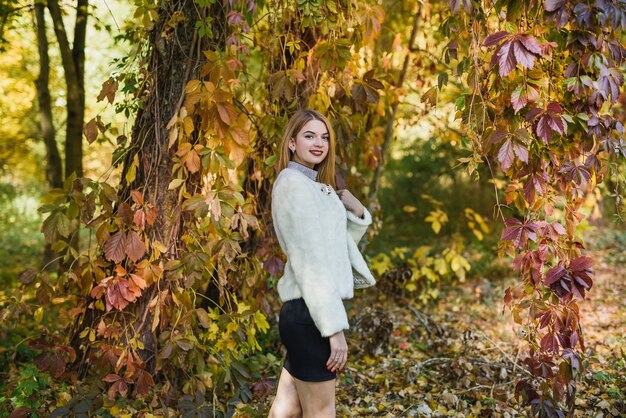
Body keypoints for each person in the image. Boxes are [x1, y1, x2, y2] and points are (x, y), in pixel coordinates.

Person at [268, 110, 376, 418]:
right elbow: (311, 263)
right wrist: (334, 330)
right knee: (321, 411)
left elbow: (332, 250)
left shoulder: (311, 186)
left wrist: (356, 213)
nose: (319, 143)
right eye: (309, 136)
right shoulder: (295, 186)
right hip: (311, 315)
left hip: (304, 312)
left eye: (324, 137)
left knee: (287, 409)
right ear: (291, 143)